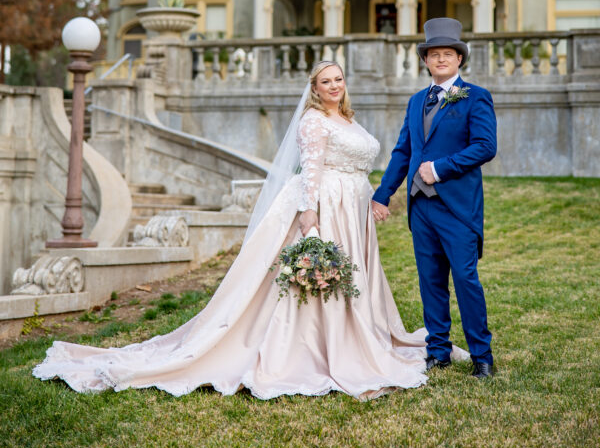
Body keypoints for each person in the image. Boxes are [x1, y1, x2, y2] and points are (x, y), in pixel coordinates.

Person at [34, 61, 467, 400]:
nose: (334, 86)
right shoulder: (314, 121)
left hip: (352, 206)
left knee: (354, 277)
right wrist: (309, 213)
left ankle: (360, 332)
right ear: (314, 90)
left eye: (338, 80)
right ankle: (321, 343)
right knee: (315, 281)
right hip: (327, 206)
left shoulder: (348, 119)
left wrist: (373, 197)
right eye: (326, 82)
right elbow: (310, 169)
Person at [372, 18, 497, 379]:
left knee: (465, 278)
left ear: (459, 59)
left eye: (448, 54)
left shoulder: (475, 97)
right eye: (433, 54)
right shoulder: (415, 102)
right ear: (425, 60)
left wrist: (440, 168)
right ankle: (438, 350)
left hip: (456, 206)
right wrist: (383, 195)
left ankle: (482, 356)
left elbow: (485, 147)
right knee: (430, 280)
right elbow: (402, 152)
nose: (441, 59)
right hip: (420, 206)